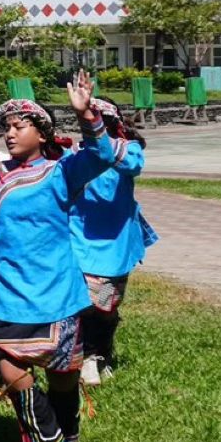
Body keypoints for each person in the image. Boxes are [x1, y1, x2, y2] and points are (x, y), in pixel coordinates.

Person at [0, 72, 121, 442]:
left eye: (19, 126)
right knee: (11, 369)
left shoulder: (61, 172)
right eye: (6, 127)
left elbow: (102, 156)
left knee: (63, 378)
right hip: (7, 291)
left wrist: (87, 116)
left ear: (41, 133)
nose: (9, 134)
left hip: (55, 292)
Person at [71, 98, 149, 386]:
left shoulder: (129, 151)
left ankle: (101, 351)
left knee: (106, 306)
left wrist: (96, 131)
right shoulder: (75, 153)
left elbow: (128, 163)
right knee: (83, 304)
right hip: (79, 240)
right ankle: (85, 356)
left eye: (94, 118)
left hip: (114, 244)